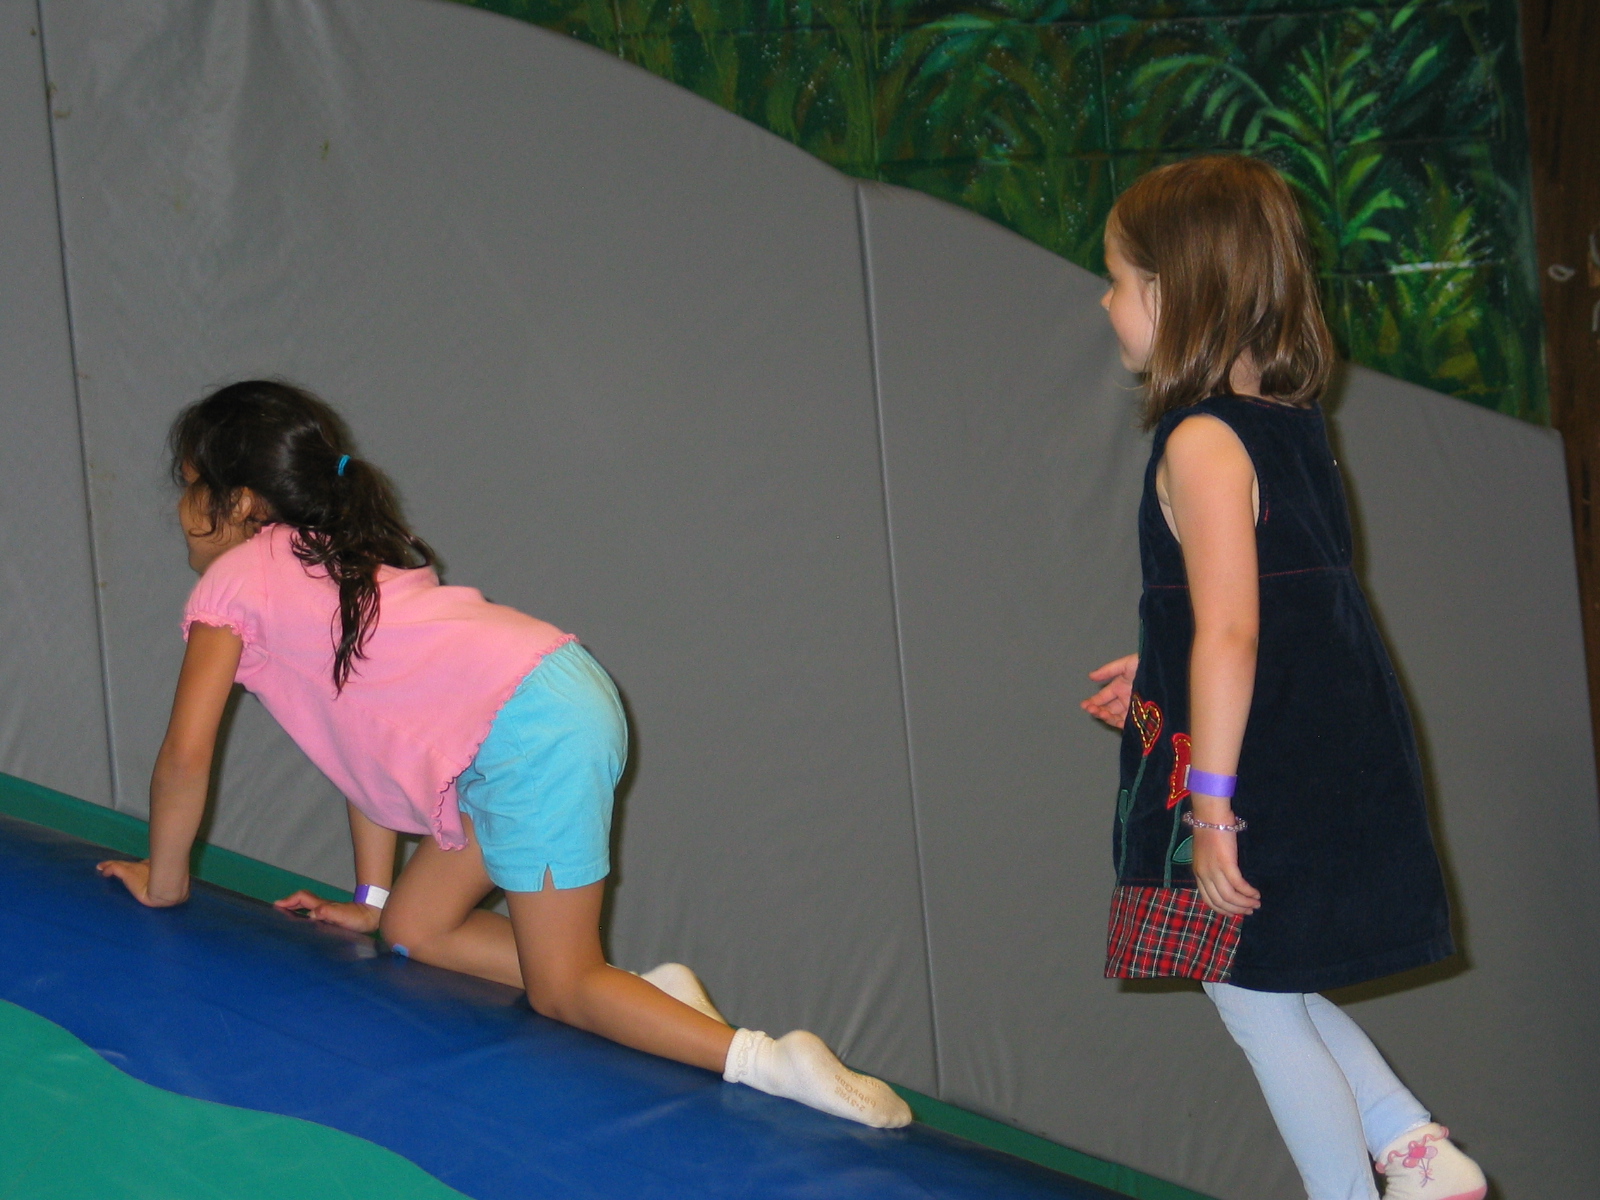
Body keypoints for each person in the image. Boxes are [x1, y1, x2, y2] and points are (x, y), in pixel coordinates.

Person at [97, 379, 910, 1130]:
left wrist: (165, 882)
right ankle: (647, 993)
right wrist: (374, 896)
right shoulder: (339, 555)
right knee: (414, 929)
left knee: (563, 988)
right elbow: (364, 753)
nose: (180, 506)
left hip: (529, 728)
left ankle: (770, 1062)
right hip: (537, 705)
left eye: (188, 483)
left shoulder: (237, 581)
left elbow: (184, 757)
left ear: (239, 501)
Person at [1080, 157, 1486, 1200]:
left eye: (1117, 281)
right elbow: (1269, 610)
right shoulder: (1292, 427)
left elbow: (1230, 635)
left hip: (1260, 772)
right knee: (1268, 977)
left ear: (1174, 292)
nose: (1105, 303)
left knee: (1251, 993)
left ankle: (1355, 1185)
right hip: (1327, 738)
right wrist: (1157, 671)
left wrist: (1211, 808)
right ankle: (1412, 1147)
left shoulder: (1201, 440)